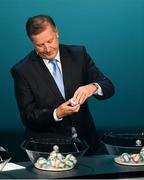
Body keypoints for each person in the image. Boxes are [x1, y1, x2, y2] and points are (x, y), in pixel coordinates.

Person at [11, 14, 115, 155]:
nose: (47, 49)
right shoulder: (22, 70)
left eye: (50, 41)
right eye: (40, 45)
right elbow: (28, 116)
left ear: (57, 33)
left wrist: (93, 87)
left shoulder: (79, 54)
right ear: (31, 41)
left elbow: (108, 87)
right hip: (46, 150)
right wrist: (56, 113)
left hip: (87, 143)